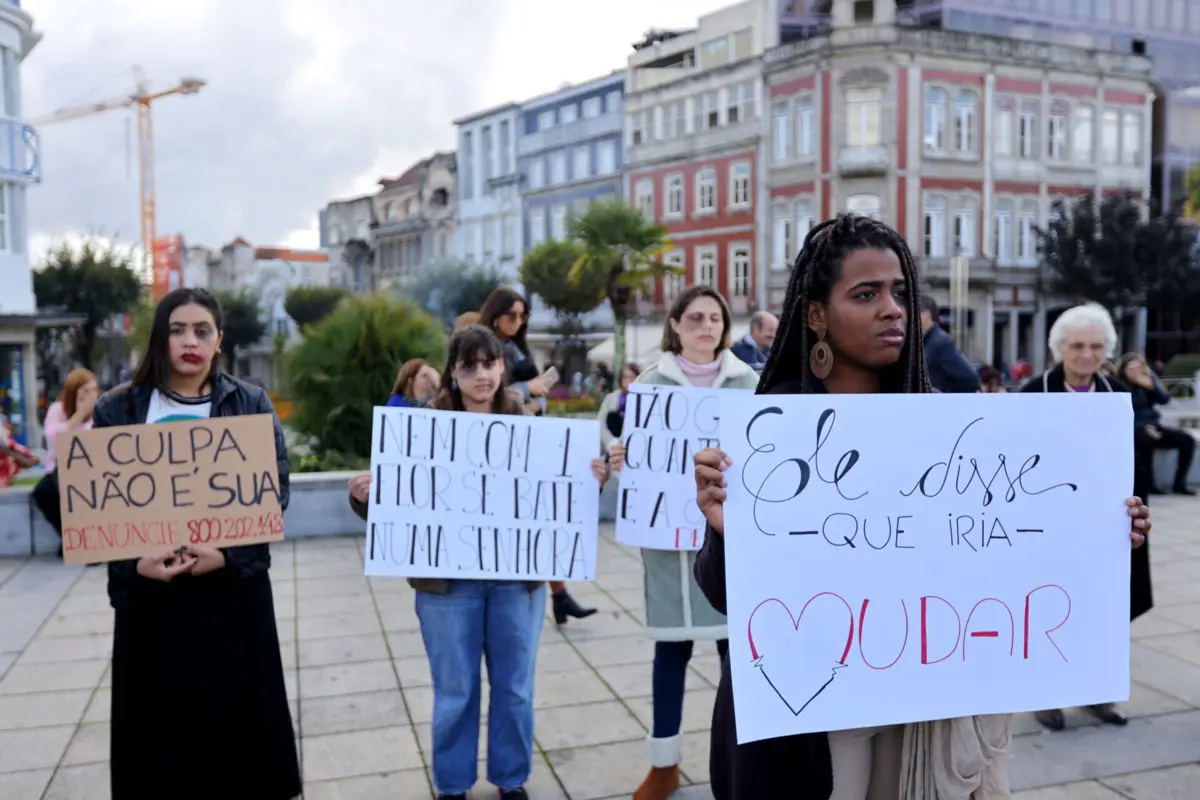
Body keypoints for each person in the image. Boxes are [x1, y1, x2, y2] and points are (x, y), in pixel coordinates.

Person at [690, 216, 1151, 800]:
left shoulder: (945, 423)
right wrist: (727, 532)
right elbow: (725, 597)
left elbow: (1002, 547)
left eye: (900, 293)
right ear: (815, 315)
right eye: (866, 294)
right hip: (813, 715)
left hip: (919, 707)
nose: (893, 309)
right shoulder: (773, 428)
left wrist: (1099, 533)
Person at [346, 325, 608, 800]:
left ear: (503, 367)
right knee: (455, 691)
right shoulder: (424, 427)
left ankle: (511, 779)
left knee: (515, 689)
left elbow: (559, 499)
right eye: (470, 366)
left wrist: (593, 478)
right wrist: (364, 498)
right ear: (453, 372)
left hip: (516, 582)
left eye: (489, 364)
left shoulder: (529, 423)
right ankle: (452, 784)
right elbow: (397, 499)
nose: (481, 375)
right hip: (448, 587)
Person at [95, 288, 301, 800]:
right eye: (178, 329)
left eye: (202, 330)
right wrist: (135, 565)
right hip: (153, 605)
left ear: (219, 340)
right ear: (160, 338)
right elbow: (99, 505)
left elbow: (273, 492)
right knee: (162, 740)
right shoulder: (116, 409)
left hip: (231, 597)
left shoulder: (249, 401)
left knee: (237, 737)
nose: (190, 341)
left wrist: (226, 556)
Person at [609, 285, 758, 800]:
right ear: (674, 324)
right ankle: (664, 763)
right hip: (669, 545)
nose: (706, 326)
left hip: (728, 543)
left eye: (715, 317)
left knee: (736, 657)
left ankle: (742, 762)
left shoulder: (750, 382)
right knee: (670, 650)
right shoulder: (650, 386)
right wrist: (622, 461)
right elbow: (637, 457)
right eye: (695, 317)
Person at [1019, 305, 1150, 731]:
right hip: (1050, 527)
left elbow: (1135, 463)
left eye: (1096, 346)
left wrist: (1137, 513)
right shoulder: (1033, 393)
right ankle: (1047, 696)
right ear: (1060, 348)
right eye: (1077, 345)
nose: (1087, 354)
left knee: (1101, 613)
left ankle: (1097, 693)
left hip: (1104, 527)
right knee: (1049, 610)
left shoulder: (1118, 394)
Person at [478, 287, 594, 624]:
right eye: (511, 314)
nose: (517, 321)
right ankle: (555, 595)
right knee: (532, 519)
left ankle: (559, 594)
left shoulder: (513, 346)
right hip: (508, 443)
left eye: (522, 315)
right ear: (495, 313)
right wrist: (529, 393)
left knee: (544, 518)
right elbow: (490, 393)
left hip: (531, 436)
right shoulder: (487, 348)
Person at [31, 369, 100, 543]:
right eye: (85, 391)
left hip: (92, 470)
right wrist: (79, 415)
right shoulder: (57, 410)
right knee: (43, 493)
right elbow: (55, 440)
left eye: (93, 390)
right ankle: (71, 539)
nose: (91, 395)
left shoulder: (101, 410)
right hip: (60, 469)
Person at [1120, 353, 1196, 497]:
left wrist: (1152, 386)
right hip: (1134, 429)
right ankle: (1150, 484)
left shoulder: (1146, 384)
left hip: (1153, 426)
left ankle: (1179, 483)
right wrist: (1145, 427)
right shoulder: (1119, 386)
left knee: (1187, 440)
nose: (1135, 372)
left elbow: (1164, 399)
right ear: (1123, 369)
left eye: (1139, 367)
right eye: (1131, 368)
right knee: (1146, 440)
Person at [919, 294, 979, 393]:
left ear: (926, 314)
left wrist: (946, 400)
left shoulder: (940, 342)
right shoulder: (927, 341)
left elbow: (969, 379)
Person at [596, 362, 641, 454]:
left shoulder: (643, 399)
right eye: (625, 377)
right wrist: (611, 442)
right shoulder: (611, 398)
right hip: (613, 446)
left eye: (631, 377)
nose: (628, 380)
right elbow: (600, 422)